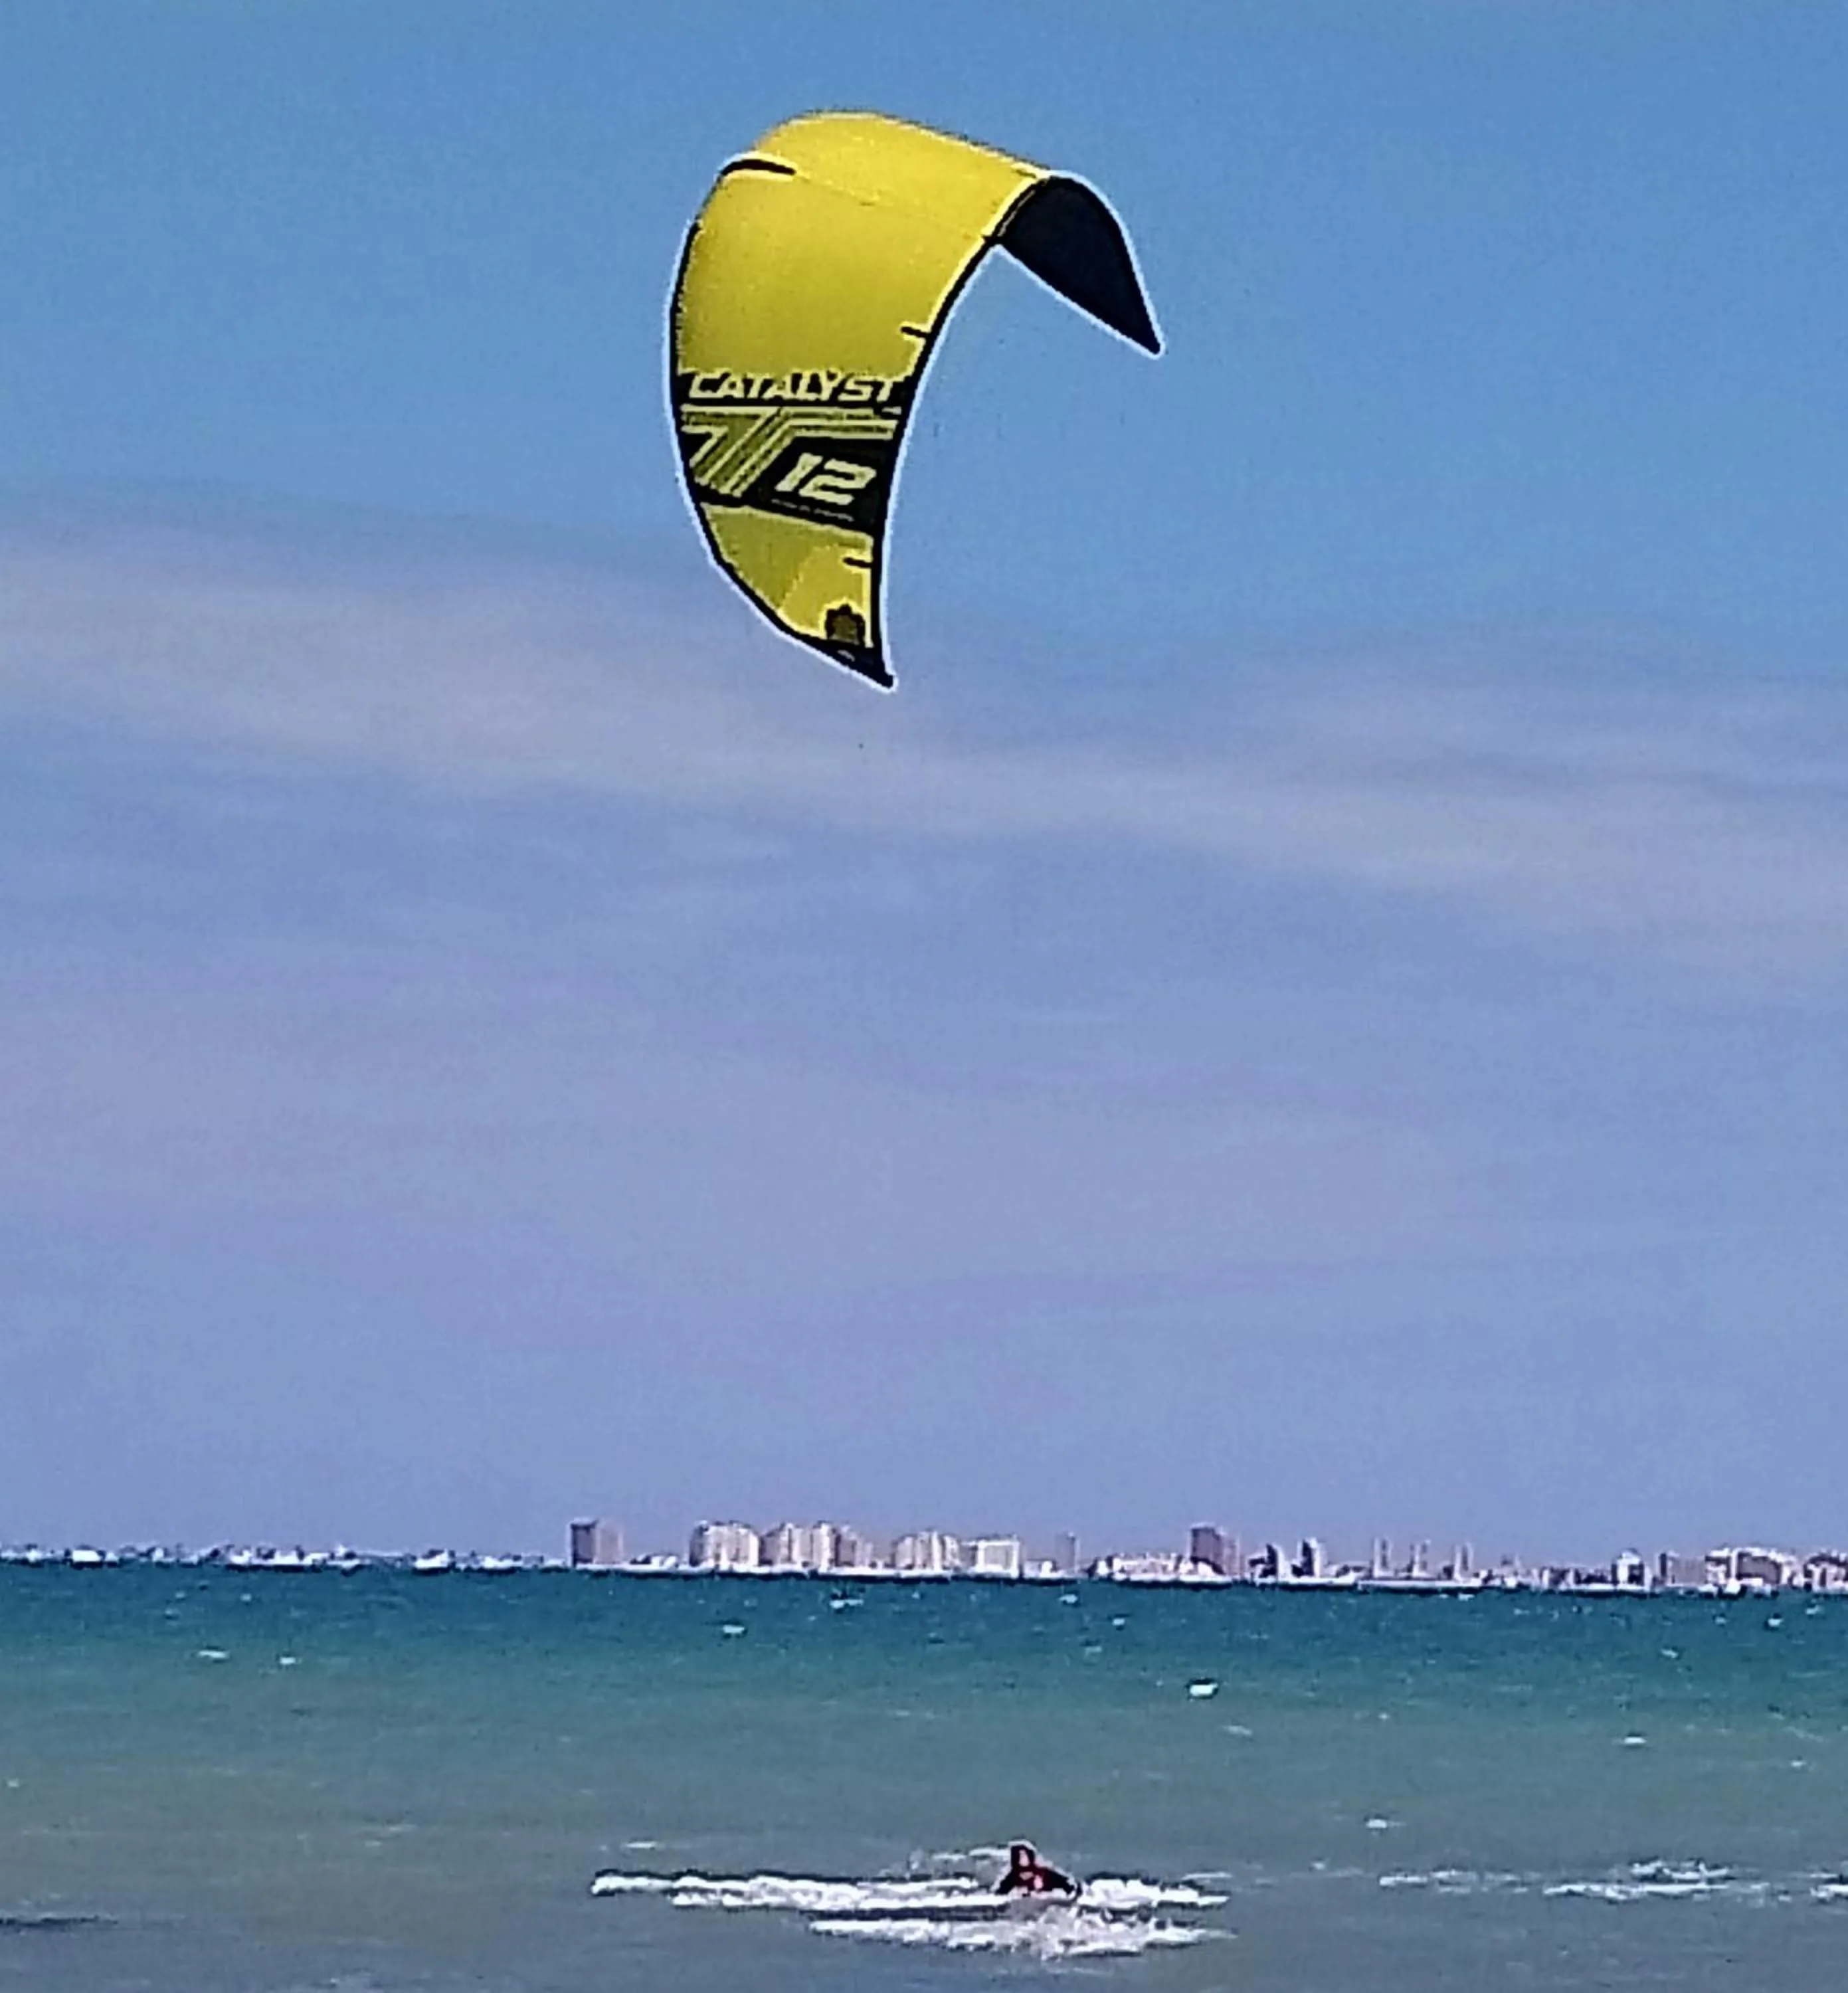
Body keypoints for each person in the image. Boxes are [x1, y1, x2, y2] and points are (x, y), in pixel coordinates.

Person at [996, 1841, 1081, 1899]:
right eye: (1019, 1856)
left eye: (1024, 1855)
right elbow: (1001, 1893)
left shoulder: (1041, 1872)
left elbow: (1059, 1881)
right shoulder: (1013, 1876)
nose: (1022, 1858)